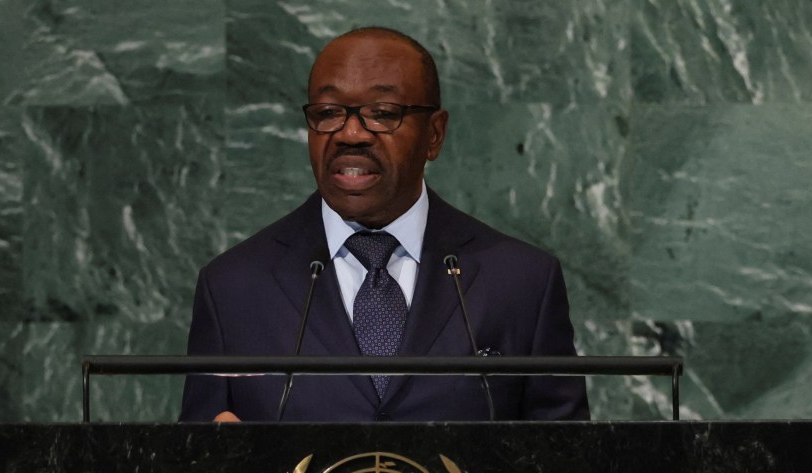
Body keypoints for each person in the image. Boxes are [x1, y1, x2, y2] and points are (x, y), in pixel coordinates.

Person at [180, 27, 589, 422]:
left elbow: (568, 467)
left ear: (435, 134)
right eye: (327, 113)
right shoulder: (234, 288)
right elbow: (197, 464)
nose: (350, 133)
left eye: (382, 114)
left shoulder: (521, 282)